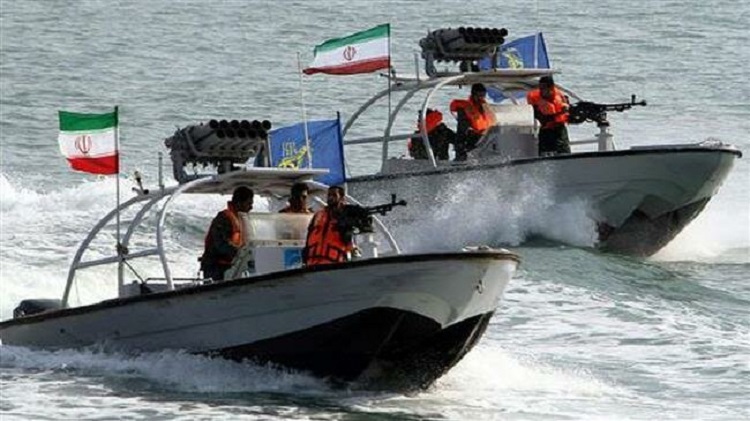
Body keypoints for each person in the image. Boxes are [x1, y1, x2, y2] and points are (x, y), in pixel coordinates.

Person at [200, 186, 254, 281]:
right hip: (216, 267)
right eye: (248, 204)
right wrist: (240, 253)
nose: (251, 207)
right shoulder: (224, 218)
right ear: (238, 203)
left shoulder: (242, 219)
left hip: (233, 265)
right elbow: (221, 244)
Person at [303, 185, 354, 266]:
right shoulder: (318, 215)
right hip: (312, 262)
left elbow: (349, 241)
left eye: (334, 195)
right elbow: (309, 235)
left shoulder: (346, 216)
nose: (330, 198)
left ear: (342, 198)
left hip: (333, 263)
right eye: (329, 195)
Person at [526, 75, 571, 155]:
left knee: (564, 153)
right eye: (540, 88)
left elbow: (568, 115)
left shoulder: (560, 97)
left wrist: (567, 110)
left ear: (551, 88)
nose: (541, 91)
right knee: (545, 154)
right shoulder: (534, 98)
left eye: (544, 88)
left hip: (560, 130)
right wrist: (559, 113)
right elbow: (539, 117)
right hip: (545, 131)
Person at [449, 83, 495, 161]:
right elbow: (462, 131)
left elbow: (493, 120)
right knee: (463, 140)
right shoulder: (465, 108)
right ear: (473, 95)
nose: (481, 97)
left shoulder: (484, 106)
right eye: (479, 95)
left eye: (483, 95)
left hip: (485, 136)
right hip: (471, 138)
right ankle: (461, 158)